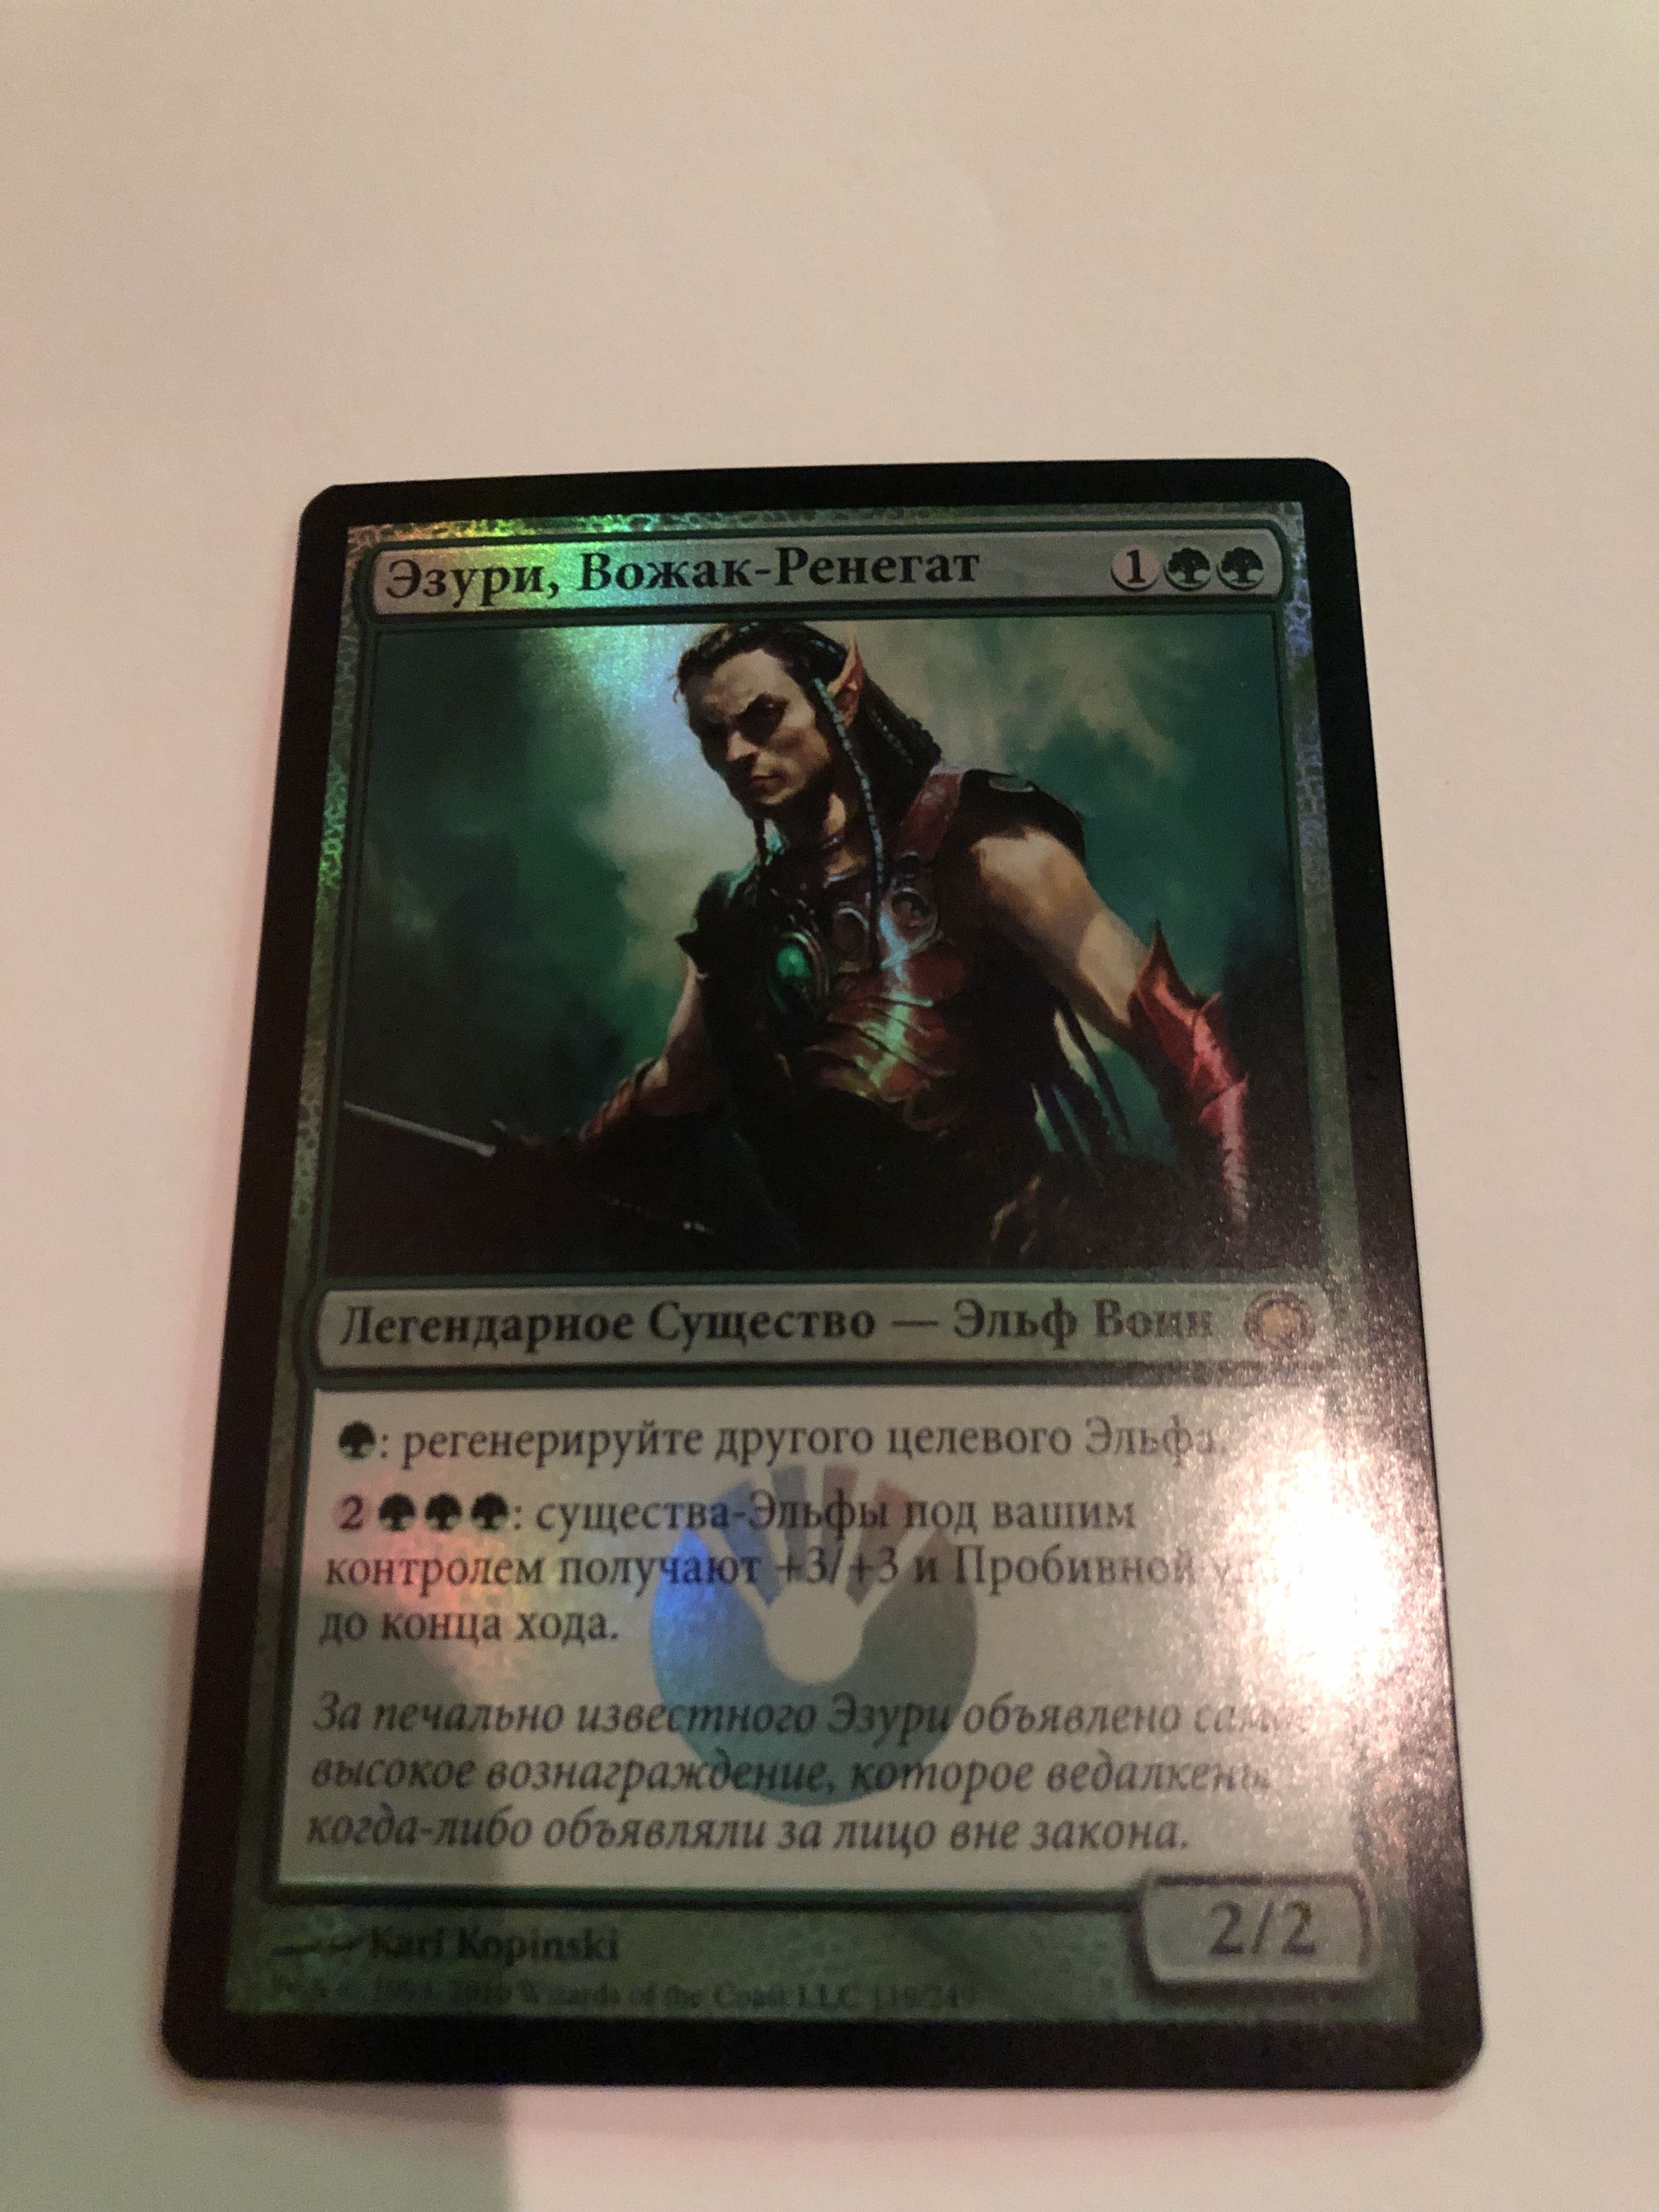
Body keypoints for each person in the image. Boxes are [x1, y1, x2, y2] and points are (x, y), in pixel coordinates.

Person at [576, 619, 1247, 1269]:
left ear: (841, 699)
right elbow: (682, 1079)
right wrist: (566, 1172)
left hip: (1012, 1269)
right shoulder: (737, 916)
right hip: (831, 1293)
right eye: (713, 734)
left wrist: (1242, 1232)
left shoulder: (983, 856)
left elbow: (1185, 1045)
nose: (736, 754)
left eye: (763, 717)